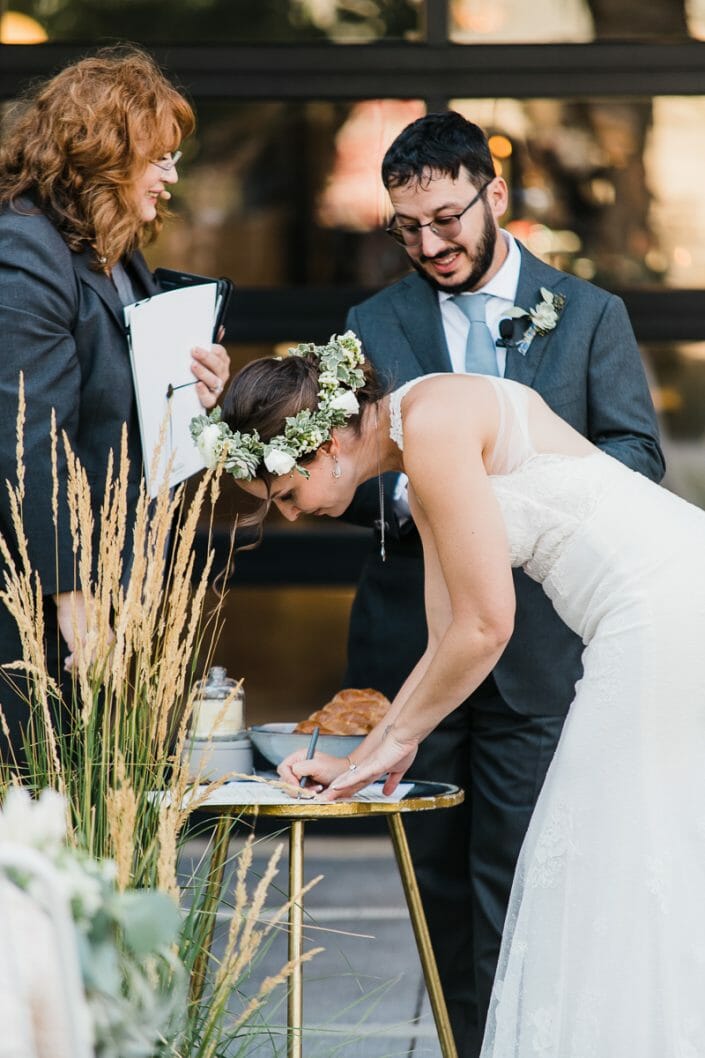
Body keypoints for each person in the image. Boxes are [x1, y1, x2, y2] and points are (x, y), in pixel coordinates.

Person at [192, 332, 705, 1058]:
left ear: (327, 445)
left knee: (601, 843)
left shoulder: (429, 425)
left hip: (661, 612)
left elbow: (487, 625)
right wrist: (362, 759)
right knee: (626, 843)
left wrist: (392, 745)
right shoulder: (416, 437)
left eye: (282, 491)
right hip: (659, 606)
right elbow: (444, 641)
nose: (290, 514)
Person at [338, 111, 664, 1055]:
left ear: (495, 195)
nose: (429, 245)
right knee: (431, 880)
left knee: (522, 871)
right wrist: (416, 494)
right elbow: (340, 466)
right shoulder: (371, 323)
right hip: (416, 644)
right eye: (407, 228)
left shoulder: (590, 312)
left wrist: (509, 510)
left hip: (538, 649)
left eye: (446, 218)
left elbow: (635, 456)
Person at [0, 47, 230, 762]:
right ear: (103, 154)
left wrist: (200, 385)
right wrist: (74, 597)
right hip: (42, 605)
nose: (171, 176)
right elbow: (25, 437)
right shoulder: (23, 248)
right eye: (159, 158)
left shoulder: (115, 253)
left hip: (118, 577)